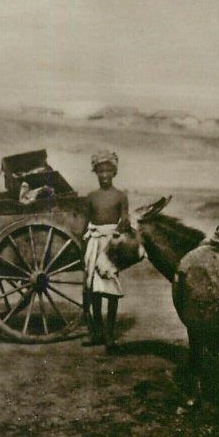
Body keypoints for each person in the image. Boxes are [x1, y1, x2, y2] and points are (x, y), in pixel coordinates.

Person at [83, 149, 130, 350]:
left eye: (107, 171)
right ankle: (97, 334)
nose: (104, 175)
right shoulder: (91, 197)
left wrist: (116, 238)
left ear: (114, 173)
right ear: (95, 172)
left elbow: (125, 222)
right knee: (93, 291)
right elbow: (86, 222)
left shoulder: (120, 196)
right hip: (94, 243)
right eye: (100, 171)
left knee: (110, 290)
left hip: (112, 245)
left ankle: (110, 334)